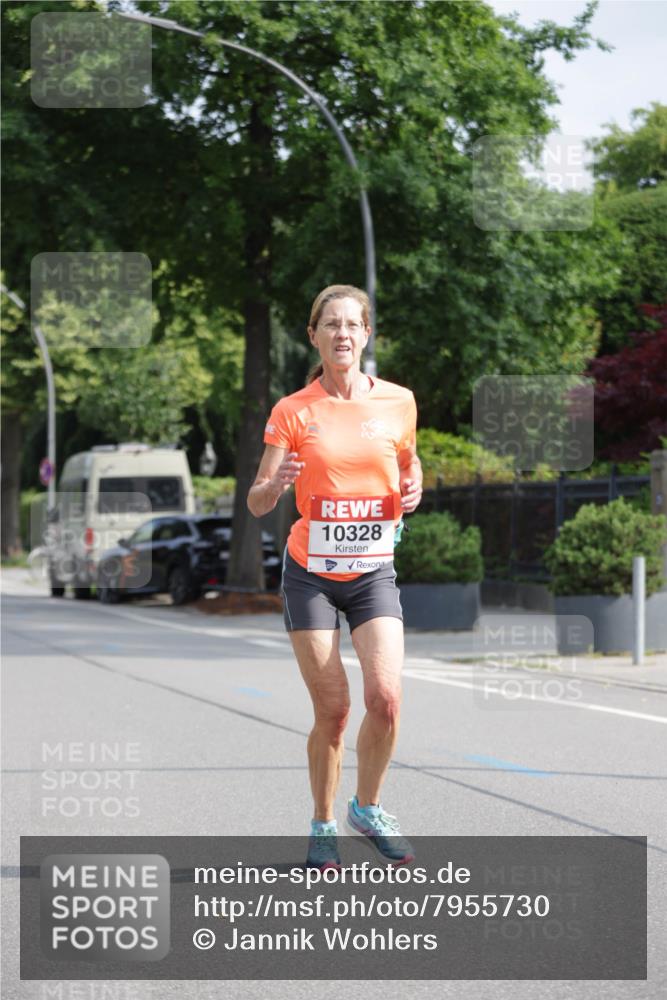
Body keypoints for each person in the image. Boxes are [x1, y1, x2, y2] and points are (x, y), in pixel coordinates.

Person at [247, 284, 422, 870]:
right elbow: (256, 500)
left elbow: (406, 460)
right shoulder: (292, 411)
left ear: (367, 334)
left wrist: (415, 481)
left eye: (352, 324)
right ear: (314, 336)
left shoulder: (398, 401)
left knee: (387, 698)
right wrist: (276, 485)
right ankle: (322, 826)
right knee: (335, 708)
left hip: (373, 572)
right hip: (311, 577)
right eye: (330, 325)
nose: (342, 334)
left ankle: (367, 809)